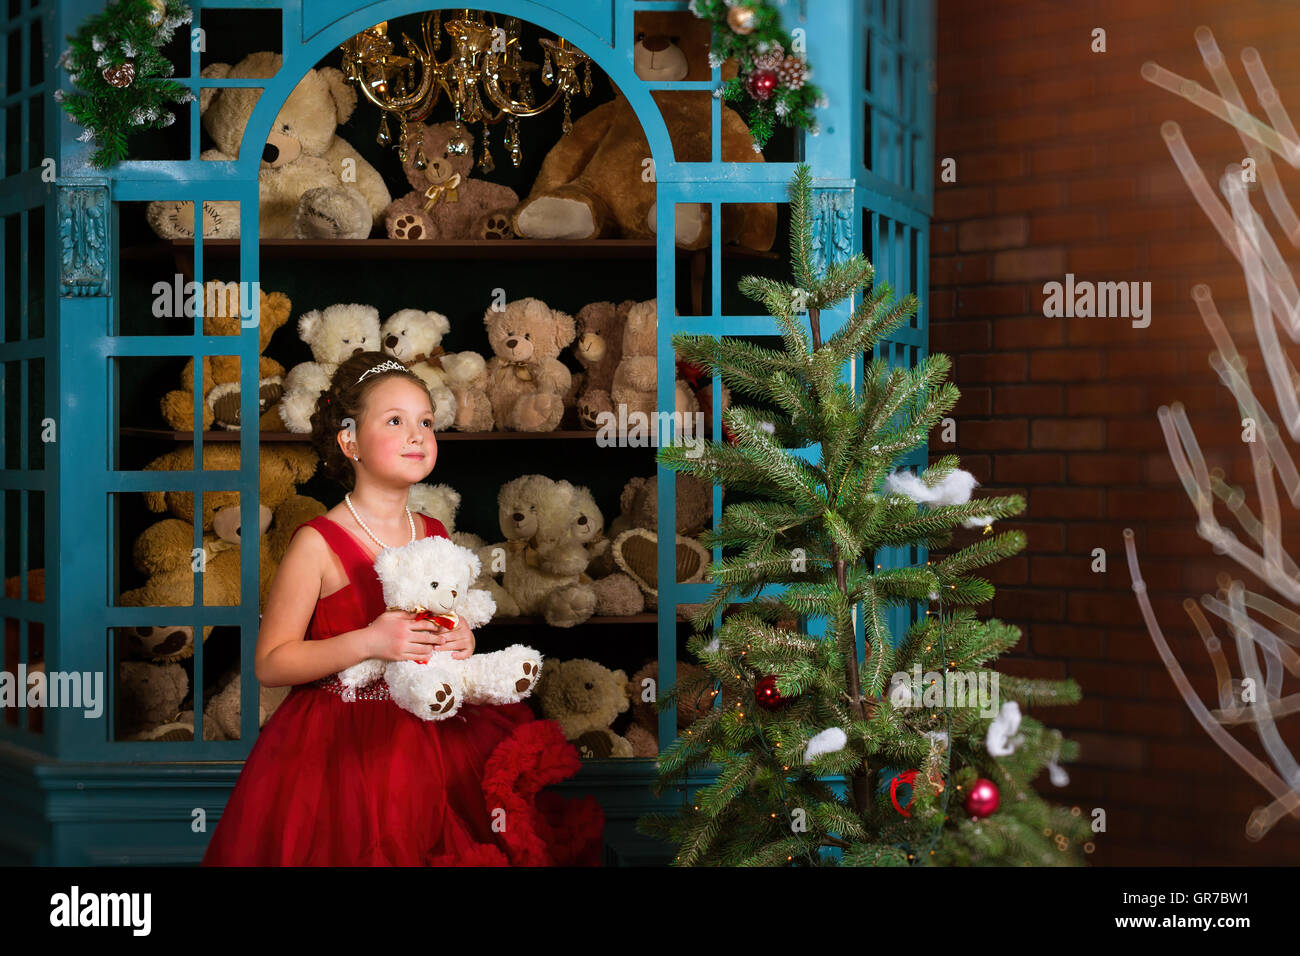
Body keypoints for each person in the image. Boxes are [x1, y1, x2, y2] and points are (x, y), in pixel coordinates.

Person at [202, 352, 604, 866]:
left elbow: (443, 620)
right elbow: (271, 662)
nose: (417, 434)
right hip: (342, 745)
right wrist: (369, 642)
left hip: (434, 734)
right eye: (395, 421)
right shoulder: (317, 543)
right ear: (350, 441)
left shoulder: (432, 531)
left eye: (426, 422)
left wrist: (461, 638)